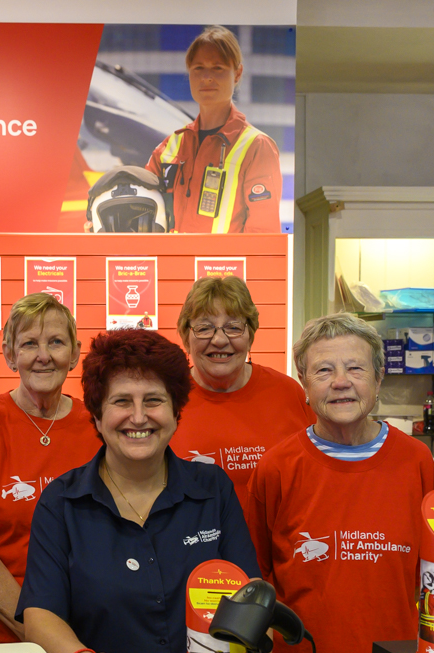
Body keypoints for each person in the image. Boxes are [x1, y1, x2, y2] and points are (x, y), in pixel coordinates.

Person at [17, 329, 259, 653]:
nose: (139, 416)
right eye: (121, 401)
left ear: (176, 412)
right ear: (97, 415)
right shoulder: (61, 503)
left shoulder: (213, 491)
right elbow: (40, 613)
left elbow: (248, 597)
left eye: (154, 400)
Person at [246, 313, 434, 653]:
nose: (340, 383)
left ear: (378, 379)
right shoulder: (277, 467)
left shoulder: (416, 461)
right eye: (323, 371)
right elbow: (256, 573)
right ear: (303, 383)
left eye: (355, 368)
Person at [0, 294, 100, 646]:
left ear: (74, 353)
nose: (43, 355)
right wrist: (41, 633)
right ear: (10, 354)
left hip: (77, 628)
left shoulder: (97, 426)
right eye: (29, 344)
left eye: (56, 342)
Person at [170, 275, 314, 497]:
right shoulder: (164, 399)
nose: (219, 340)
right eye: (204, 328)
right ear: (186, 337)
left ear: (250, 335)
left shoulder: (288, 393)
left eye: (233, 327)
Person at [146, 26, 282, 234]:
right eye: (198, 68)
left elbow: (263, 236)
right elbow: (141, 208)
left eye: (217, 67)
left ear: (237, 74)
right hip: (171, 266)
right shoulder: (169, 147)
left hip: (224, 268)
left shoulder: (257, 147)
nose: (207, 77)